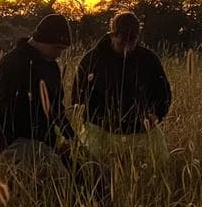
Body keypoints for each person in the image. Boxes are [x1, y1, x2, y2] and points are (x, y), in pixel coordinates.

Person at [73, 12, 172, 168]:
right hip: (100, 128)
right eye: (122, 43)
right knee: (89, 164)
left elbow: (163, 92)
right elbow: (79, 96)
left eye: (131, 43)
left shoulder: (148, 59)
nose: (127, 48)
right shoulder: (92, 59)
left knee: (162, 162)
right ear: (113, 35)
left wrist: (157, 114)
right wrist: (98, 119)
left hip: (141, 127)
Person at [0, 13, 77, 168]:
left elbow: (57, 109)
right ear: (41, 41)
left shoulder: (51, 66)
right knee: (60, 177)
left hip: (48, 140)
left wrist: (71, 138)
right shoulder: (11, 66)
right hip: (17, 142)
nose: (59, 54)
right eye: (57, 48)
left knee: (88, 169)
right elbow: (3, 115)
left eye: (63, 49)